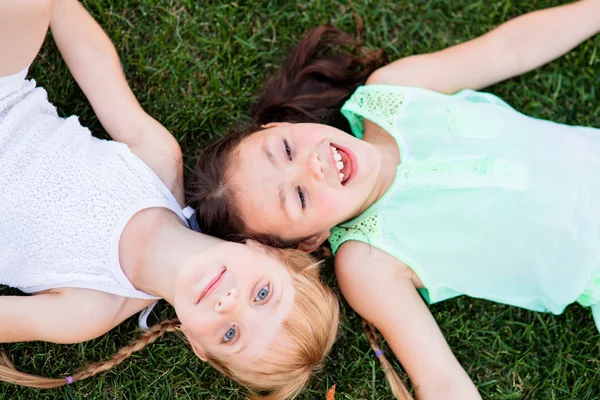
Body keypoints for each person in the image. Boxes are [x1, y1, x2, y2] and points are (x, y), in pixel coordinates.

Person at [190, 1, 600, 398]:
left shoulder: (393, 93)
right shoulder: (367, 262)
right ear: (311, 240)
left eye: (284, 149)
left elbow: (509, 49)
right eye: (298, 197)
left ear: (283, 124)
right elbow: (439, 378)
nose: (312, 167)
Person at [0, 1, 339, 399]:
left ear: (199, 347)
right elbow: (96, 65)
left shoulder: (88, 311)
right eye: (262, 294)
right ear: (266, 251)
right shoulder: (160, 165)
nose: (229, 303)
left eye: (231, 334)